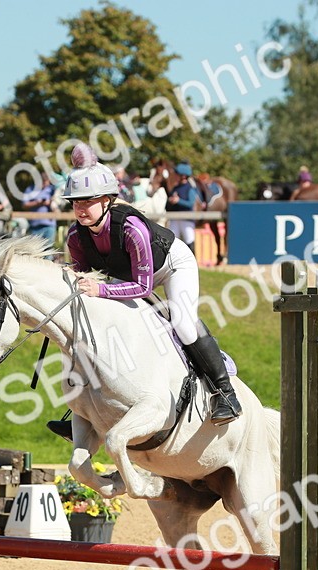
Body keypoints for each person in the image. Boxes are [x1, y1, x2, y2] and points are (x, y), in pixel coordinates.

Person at [55, 143, 241, 429]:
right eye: (75, 202)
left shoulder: (131, 228)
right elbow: (85, 278)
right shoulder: (76, 237)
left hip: (172, 265)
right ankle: (85, 408)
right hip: (131, 274)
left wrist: (101, 290)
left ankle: (225, 393)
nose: (80, 209)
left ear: (107, 201)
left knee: (183, 323)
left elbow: (142, 288)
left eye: (87, 201)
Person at [165, 162, 202, 245]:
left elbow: (190, 204)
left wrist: (178, 201)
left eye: (177, 174)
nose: (176, 176)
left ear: (183, 176)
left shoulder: (190, 188)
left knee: (189, 241)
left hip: (186, 219)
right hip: (175, 219)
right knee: (172, 242)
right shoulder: (175, 188)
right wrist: (170, 201)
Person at [21, 173, 57, 242]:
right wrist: (37, 203)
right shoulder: (30, 189)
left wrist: (51, 203)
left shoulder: (52, 190)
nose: (45, 185)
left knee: (49, 247)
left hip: (49, 225)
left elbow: (58, 203)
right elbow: (24, 205)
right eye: (43, 182)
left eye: (46, 182)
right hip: (35, 226)